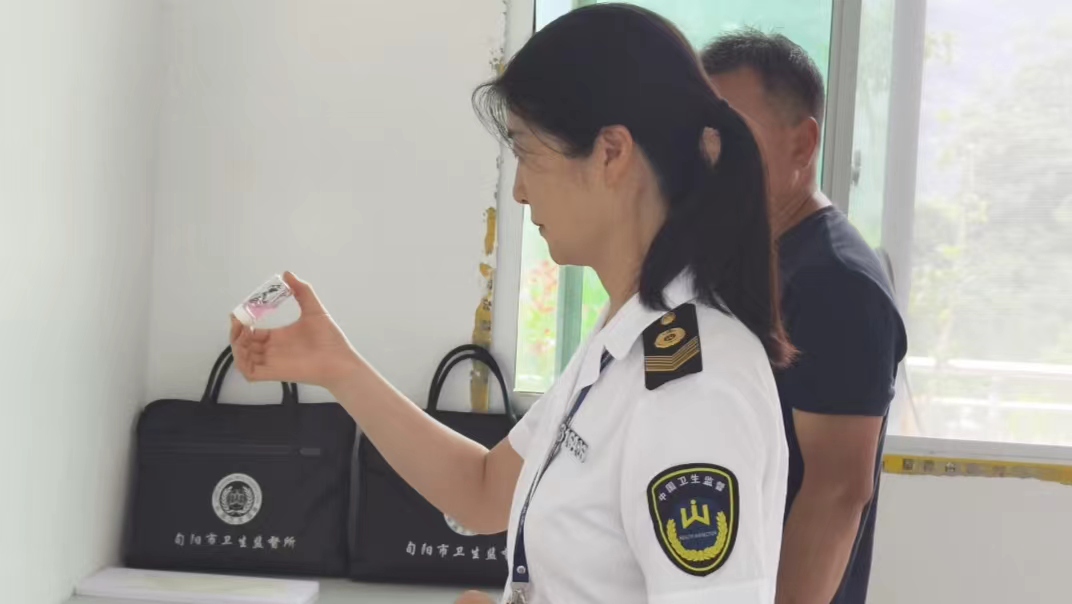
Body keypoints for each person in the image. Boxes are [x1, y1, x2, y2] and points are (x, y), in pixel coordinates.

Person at [231, 6, 793, 603]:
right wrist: (338, 368)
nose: (520, 191)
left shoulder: (694, 389)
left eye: (526, 152)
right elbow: (482, 490)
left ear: (611, 152)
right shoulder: (624, 340)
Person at [701, 31, 908, 604]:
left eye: (732, 134)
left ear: (803, 143)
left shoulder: (837, 282)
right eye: (703, 135)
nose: (710, 156)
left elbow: (837, 493)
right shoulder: (751, 256)